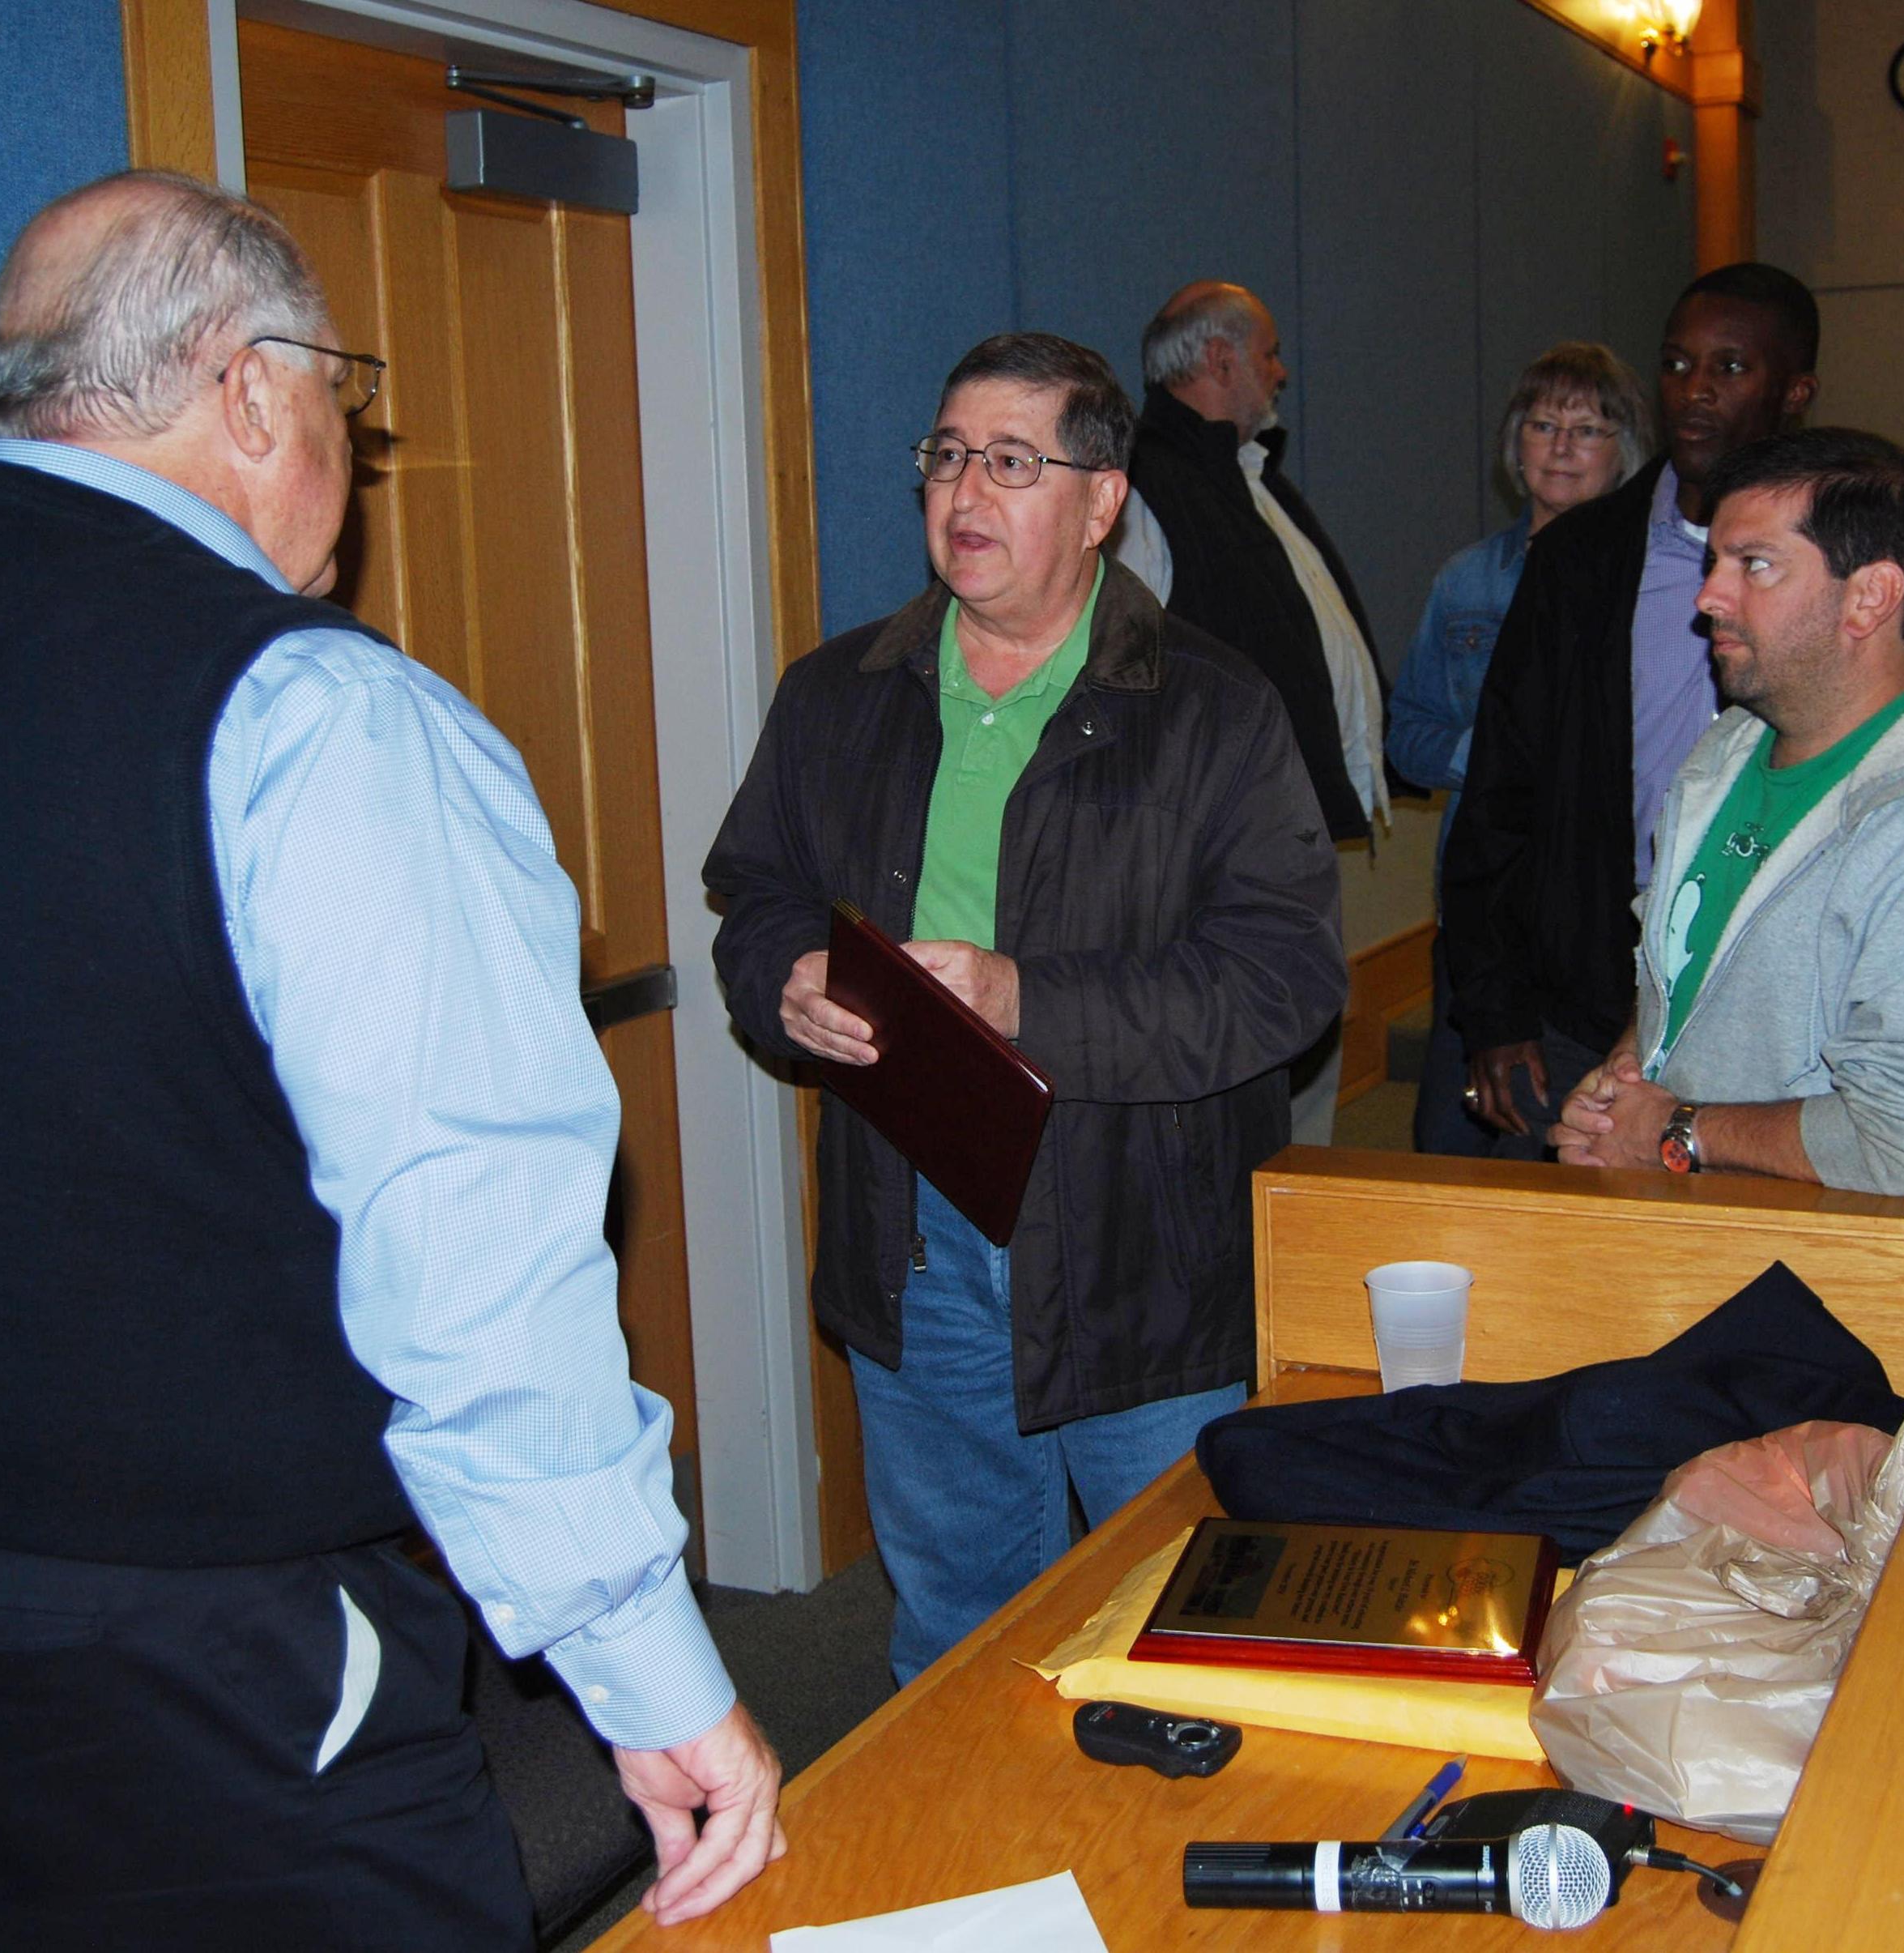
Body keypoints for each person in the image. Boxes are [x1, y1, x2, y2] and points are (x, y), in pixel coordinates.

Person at [0, 171, 780, 1950]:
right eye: (342, 386)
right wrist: (648, 1668)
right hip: (203, 1664)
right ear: (250, 387)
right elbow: (474, 1269)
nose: (354, 442)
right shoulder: (322, 719)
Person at [704, 332, 1345, 1687]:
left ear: (1101, 502)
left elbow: (1282, 981)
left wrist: (1021, 996)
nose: (964, 493)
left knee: (1179, 1630)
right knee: (958, 1627)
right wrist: (785, 976)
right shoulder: (839, 694)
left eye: (1010, 462)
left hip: (1140, 1244)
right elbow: (755, 887)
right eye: (946, 456)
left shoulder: (1214, 711)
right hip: (916, 1233)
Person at [1547, 429, 1904, 1194]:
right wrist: (1624, 1086)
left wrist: (1675, 1131)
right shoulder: (1729, 755)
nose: (1708, 597)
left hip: (1853, 1258)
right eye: (1714, 562)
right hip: (1710, 1227)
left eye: (1754, 565)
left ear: (1870, 596)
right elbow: (1692, 970)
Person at [1441, 264, 1822, 1158]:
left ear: (1795, 392)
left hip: (1781, 1013)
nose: (1696, 391)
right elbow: (1500, 796)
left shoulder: (1846, 564)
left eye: (1731, 368)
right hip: (1585, 1002)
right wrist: (1495, 1010)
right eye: (1678, 364)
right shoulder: (1579, 559)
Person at [1117, 280, 1382, 1145]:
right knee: (1251, 1085)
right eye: (1268, 354)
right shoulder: (1145, 486)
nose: (1281, 372)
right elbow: (1122, 682)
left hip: (1281, 834)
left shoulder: (1249, 477)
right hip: (1209, 853)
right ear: (1219, 358)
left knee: (1300, 1056)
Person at [1386, 341, 1652, 1156]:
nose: (1562, 447)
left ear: (1625, 450)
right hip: (1485, 903)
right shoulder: (1466, 579)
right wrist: (1501, 754)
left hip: (1604, 915)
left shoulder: (1657, 579)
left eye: (1588, 429)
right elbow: (1407, 735)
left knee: (1579, 1143)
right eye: (1543, 425)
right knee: (1450, 1143)